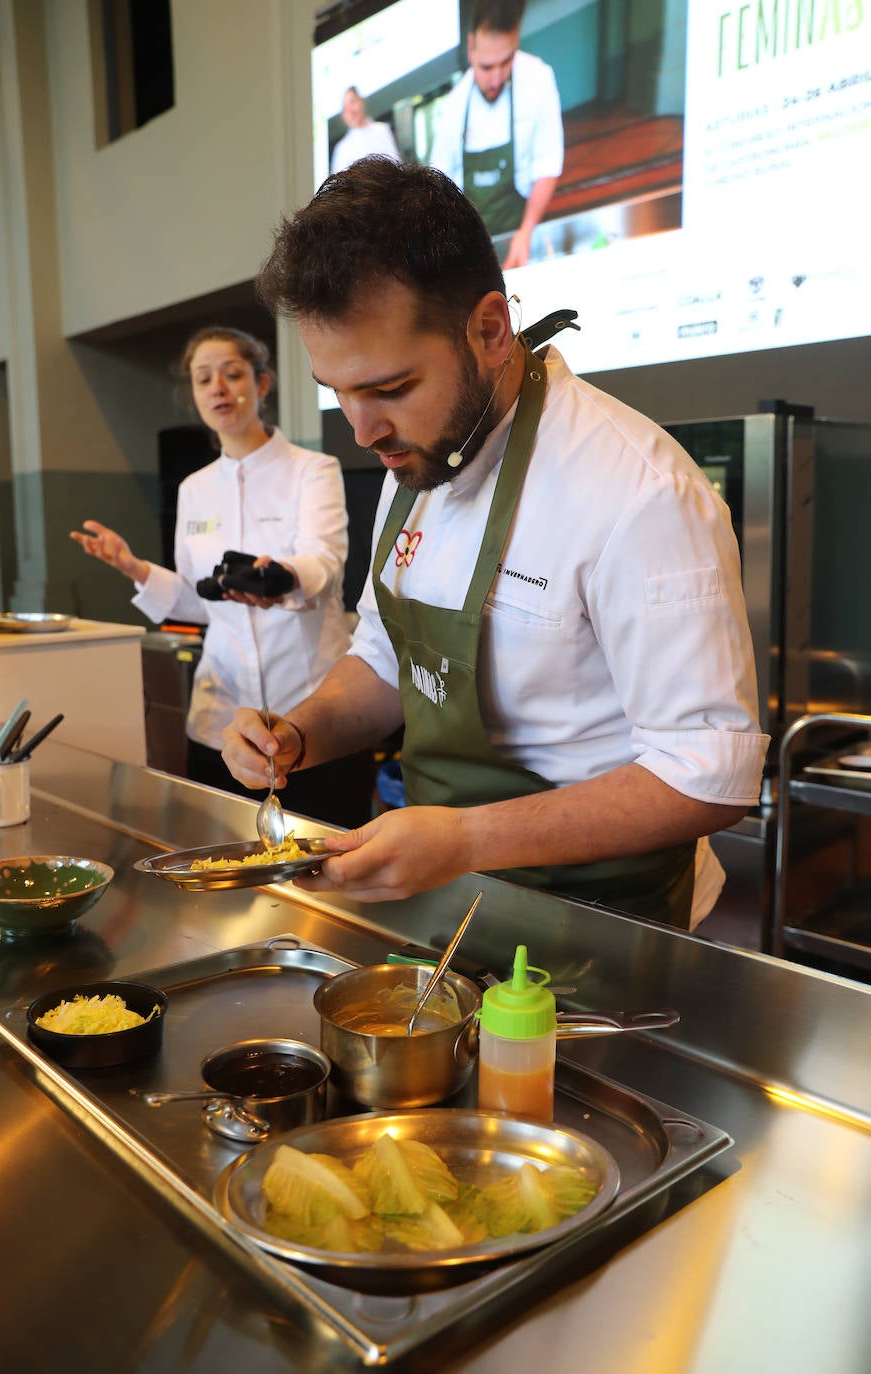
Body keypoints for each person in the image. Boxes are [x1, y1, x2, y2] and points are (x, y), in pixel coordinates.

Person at [221, 157, 769, 928]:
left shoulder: (638, 491)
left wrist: (467, 839)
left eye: (389, 388)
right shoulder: (414, 459)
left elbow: (707, 776)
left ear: (488, 329)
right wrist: (301, 730)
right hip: (452, 900)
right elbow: (385, 659)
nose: (363, 429)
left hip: (608, 920)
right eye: (338, 392)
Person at [71, 324, 374, 829]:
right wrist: (134, 567)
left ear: (262, 384)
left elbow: (323, 562)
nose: (218, 388)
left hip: (313, 710)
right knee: (232, 870)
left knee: (331, 865)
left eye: (232, 374)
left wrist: (279, 578)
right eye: (203, 378)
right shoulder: (194, 488)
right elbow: (197, 602)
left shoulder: (312, 469)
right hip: (221, 719)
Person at [428, 0, 564, 270]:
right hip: (472, 248)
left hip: (523, 230)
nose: (497, 79)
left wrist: (525, 232)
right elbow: (439, 189)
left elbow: (547, 163)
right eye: (487, 67)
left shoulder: (538, 79)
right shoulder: (454, 107)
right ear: (471, 48)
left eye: (507, 62)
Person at [330, 86, 402, 175]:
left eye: (352, 102)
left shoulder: (382, 130)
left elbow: (396, 164)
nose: (350, 111)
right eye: (345, 108)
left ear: (361, 101)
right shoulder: (342, 148)